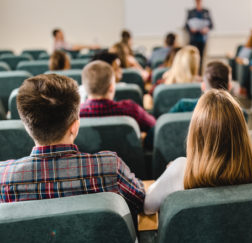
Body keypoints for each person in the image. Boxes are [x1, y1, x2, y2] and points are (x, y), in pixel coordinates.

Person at [144, 37, 252, 214]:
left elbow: (148, 207)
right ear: (240, 130)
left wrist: (170, 173)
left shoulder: (181, 170)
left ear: (196, 132)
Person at [0, 74, 145, 215]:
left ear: (27, 126)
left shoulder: (3, 177)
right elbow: (141, 201)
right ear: (74, 127)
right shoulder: (110, 167)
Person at [80, 61, 156, 134]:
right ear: (111, 87)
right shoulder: (130, 109)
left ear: (85, 87)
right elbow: (155, 127)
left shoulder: (73, 115)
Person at [185, 0, 213, 73]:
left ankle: (199, 73)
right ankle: (192, 73)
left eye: (200, 0)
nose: (198, 2)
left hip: (202, 39)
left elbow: (211, 25)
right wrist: (191, 29)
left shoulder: (206, 12)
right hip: (193, 39)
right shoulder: (191, 12)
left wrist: (206, 29)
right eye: (197, 0)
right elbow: (186, 25)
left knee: (201, 58)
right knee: (192, 58)